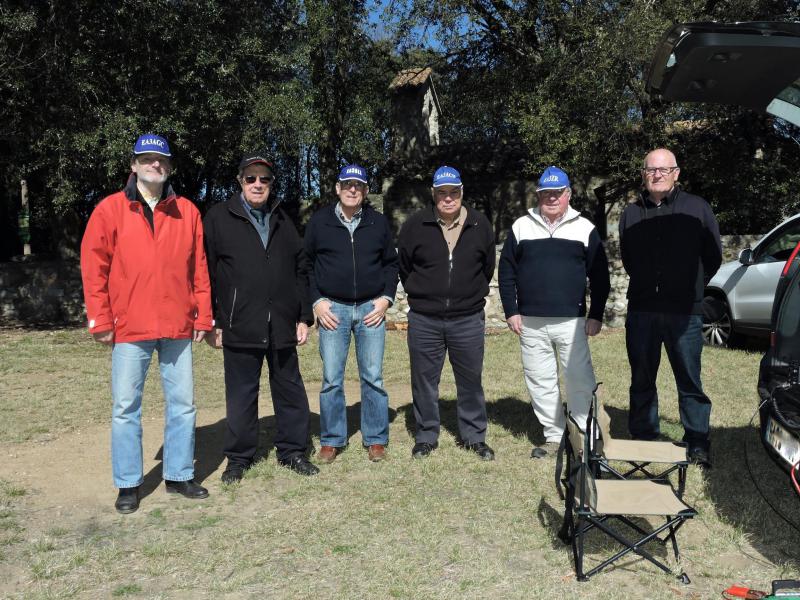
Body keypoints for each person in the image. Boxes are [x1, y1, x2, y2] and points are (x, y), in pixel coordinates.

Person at [80, 134, 213, 514]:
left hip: (177, 324)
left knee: (183, 405)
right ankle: (128, 483)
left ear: (169, 167)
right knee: (126, 406)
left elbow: (199, 268)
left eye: (161, 160)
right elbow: (94, 267)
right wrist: (100, 319)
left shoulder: (187, 211)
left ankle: (179, 474)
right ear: (134, 165)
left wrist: (203, 314)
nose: (155, 164)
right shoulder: (109, 209)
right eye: (147, 159)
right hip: (130, 326)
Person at [203, 154, 318, 483]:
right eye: (251, 178)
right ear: (240, 181)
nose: (257, 184)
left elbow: (300, 268)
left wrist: (302, 316)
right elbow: (204, 271)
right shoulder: (219, 217)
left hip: (281, 321)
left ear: (271, 183)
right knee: (241, 395)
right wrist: (211, 320)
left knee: (290, 390)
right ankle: (239, 458)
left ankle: (292, 451)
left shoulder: (282, 217)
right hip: (239, 322)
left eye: (264, 179)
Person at [619, 148, 722, 468]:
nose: (657, 174)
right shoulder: (631, 213)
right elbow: (628, 258)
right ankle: (644, 436)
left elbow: (713, 255)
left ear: (676, 173)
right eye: (651, 170)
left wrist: (690, 286)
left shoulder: (697, 208)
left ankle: (697, 441)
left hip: (684, 311)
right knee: (642, 378)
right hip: (643, 310)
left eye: (664, 169)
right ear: (643, 174)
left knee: (689, 380)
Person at [498, 166, 610, 458]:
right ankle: (554, 435)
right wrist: (511, 311)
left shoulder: (584, 228)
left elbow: (600, 276)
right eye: (545, 193)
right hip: (530, 321)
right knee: (540, 379)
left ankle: (582, 437)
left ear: (568, 194)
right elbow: (506, 271)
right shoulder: (521, 226)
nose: (551, 198)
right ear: (538, 195)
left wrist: (596, 314)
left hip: (572, 321)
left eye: (557, 193)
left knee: (579, 379)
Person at [398, 166, 496, 460]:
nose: (448, 198)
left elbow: (487, 266)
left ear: (462, 192)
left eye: (454, 192)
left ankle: (474, 436)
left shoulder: (479, 224)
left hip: (467, 318)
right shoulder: (415, 225)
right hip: (424, 319)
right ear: (434, 194)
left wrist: (466, 296)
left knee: (470, 380)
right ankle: (426, 436)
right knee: (424, 382)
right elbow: (405, 267)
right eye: (442, 192)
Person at [304, 164, 399, 463]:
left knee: (373, 376)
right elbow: (306, 265)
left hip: (371, 309)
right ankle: (332, 439)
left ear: (366, 190)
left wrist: (385, 300)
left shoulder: (378, 222)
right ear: (338, 188)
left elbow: (391, 264)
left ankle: (376, 438)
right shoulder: (319, 222)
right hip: (333, 309)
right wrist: (317, 301)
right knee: (332, 378)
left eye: (358, 185)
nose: (352, 189)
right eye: (347, 184)